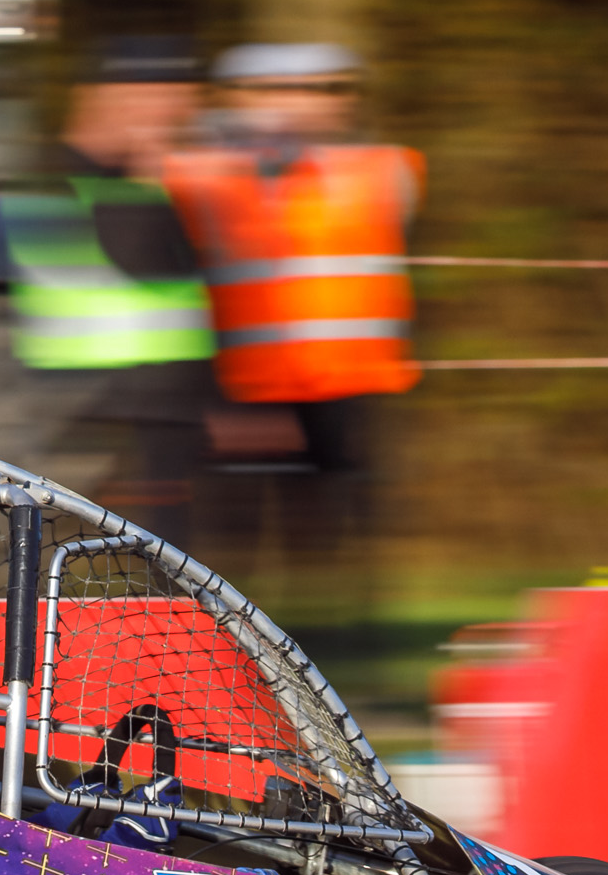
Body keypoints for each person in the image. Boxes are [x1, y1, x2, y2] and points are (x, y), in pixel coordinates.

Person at [162, 43, 423, 546]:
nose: (300, 102)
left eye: (325, 89)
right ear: (236, 98)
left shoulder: (385, 168)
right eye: (274, 90)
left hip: (350, 386)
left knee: (338, 539)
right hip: (242, 387)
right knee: (234, 541)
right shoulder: (200, 170)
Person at [2, 38, 216, 549]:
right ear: (100, 97)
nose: (173, 116)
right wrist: (153, 178)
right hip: (89, 407)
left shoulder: (124, 178)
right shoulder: (58, 177)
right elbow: (138, 260)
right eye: (156, 97)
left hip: (152, 405)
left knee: (163, 561)